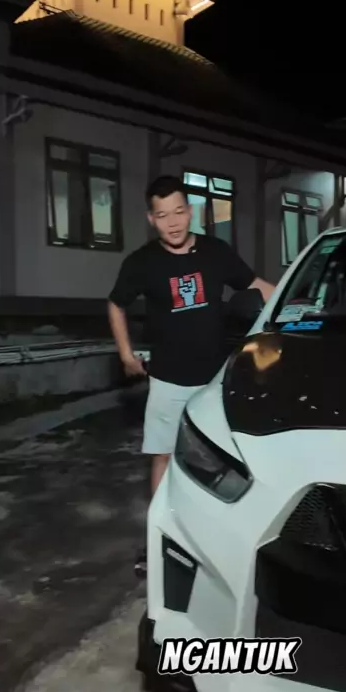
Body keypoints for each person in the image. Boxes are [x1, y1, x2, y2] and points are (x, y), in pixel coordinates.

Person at [108, 174, 275, 498]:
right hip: (168, 381)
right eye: (162, 215)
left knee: (226, 456)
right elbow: (116, 304)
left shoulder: (215, 251)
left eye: (178, 211)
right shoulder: (141, 262)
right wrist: (126, 355)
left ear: (190, 211)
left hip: (216, 381)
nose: (172, 223)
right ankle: (160, 523)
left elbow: (256, 285)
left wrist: (293, 303)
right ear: (151, 219)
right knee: (163, 455)